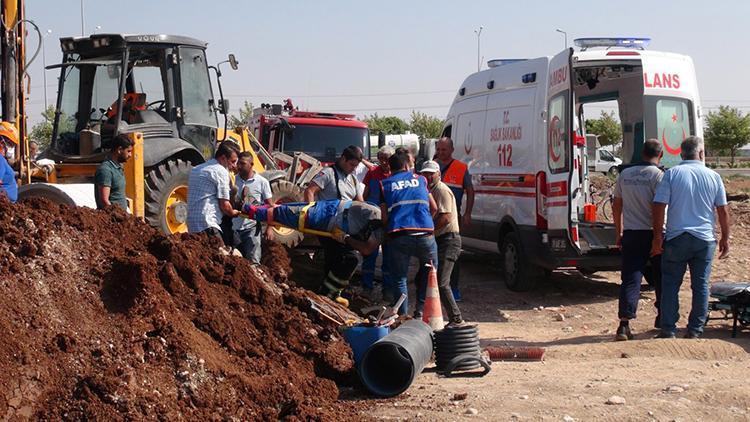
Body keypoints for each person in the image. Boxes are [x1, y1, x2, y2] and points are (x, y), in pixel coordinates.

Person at [651, 136, 730, 339]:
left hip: (677, 237)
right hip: (704, 239)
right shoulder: (714, 176)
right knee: (701, 285)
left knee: (670, 283)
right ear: (701, 153)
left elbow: (659, 205)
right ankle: (695, 329)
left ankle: (668, 328)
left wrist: (657, 237)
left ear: (680, 153)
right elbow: (722, 210)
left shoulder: (672, 174)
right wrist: (725, 238)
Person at [244, 199, 383, 305]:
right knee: (284, 213)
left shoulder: (379, 218)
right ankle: (247, 208)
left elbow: (366, 249)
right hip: (328, 216)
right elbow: (366, 249)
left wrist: (345, 238)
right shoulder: (377, 218)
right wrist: (346, 238)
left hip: (334, 223)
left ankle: (329, 293)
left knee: (347, 258)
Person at [612, 139, 664, 341]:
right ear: (660, 156)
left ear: (642, 154)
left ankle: (624, 324)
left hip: (632, 233)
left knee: (631, 278)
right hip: (654, 233)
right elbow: (658, 208)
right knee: (661, 277)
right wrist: (658, 237)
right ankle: (662, 318)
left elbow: (617, 206)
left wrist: (618, 232)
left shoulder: (624, 175)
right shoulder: (659, 176)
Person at [379, 150, 438, 315]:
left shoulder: (385, 184)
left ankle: (403, 318)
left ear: (391, 168)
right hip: (425, 234)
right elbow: (434, 208)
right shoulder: (421, 180)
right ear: (406, 165)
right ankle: (421, 312)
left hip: (400, 235)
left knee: (400, 279)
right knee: (430, 275)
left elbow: (384, 218)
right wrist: (424, 222)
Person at [304, 145, 365, 300]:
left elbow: (360, 202)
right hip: (328, 226)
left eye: (356, 166)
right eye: (352, 165)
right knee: (343, 257)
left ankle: (329, 291)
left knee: (342, 259)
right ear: (343, 159)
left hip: (345, 226)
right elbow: (310, 191)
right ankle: (327, 293)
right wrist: (310, 215)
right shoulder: (328, 174)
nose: (353, 169)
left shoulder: (352, 178)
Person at [414, 160, 465, 326]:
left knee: (442, 283)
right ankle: (421, 314)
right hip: (439, 239)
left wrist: (428, 233)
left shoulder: (441, 190)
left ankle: (456, 318)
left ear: (438, 174)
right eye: (425, 173)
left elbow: (445, 217)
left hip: (448, 240)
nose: (428, 176)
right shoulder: (429, 190)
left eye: (431, 173)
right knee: (423, 278)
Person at [434, 137, 475, 301]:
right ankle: (434, 288)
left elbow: (470, 191)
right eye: (438, 149)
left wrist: (468, 213)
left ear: (451, 150)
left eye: (444, 149)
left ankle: (454, 288)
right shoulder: (432, 167)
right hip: (433, 215)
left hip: (452, 216)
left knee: (452, 253)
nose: (440, 152)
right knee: (433, 253)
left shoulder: (461, 168)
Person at [187, 141, 241, 239]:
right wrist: (233, 212)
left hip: (192, 225)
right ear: (223, 158)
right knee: (221, 253)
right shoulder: (221, 171)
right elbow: (224, 206)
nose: (234, 166)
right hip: (208, 224)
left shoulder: (196, 169)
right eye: (233, 161)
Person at [361, 145, 394, 299]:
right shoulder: (373, 173)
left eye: (386, 159)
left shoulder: (396, 174)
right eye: (381, 159)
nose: (383, 162)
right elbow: (364, 194)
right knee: (369, 255)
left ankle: (387, 290)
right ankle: (366, 288)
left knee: (389, 257)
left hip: (389, 222)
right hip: (373, 221)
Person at [232, 152, 274, 264]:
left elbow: (270, 207)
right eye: (237, 163)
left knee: (254, 262)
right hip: (233, 229)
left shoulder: (262, 182)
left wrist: (270, 228)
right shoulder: (232, 180)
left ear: (251, 164)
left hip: (252, 228)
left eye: (242, 163)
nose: (238, 166)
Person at [94, 135, 134, 210]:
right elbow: (104, 201)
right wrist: (119, 217)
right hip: (112, 219)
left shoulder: (118, 168)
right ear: (119, 150)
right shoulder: (105, 170)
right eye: (128, 151)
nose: (130, 155)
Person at [0, 122, 19, 203]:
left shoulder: (3, 160)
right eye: (10, 144)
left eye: (13, 145)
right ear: (1, 142)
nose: (11, 148)